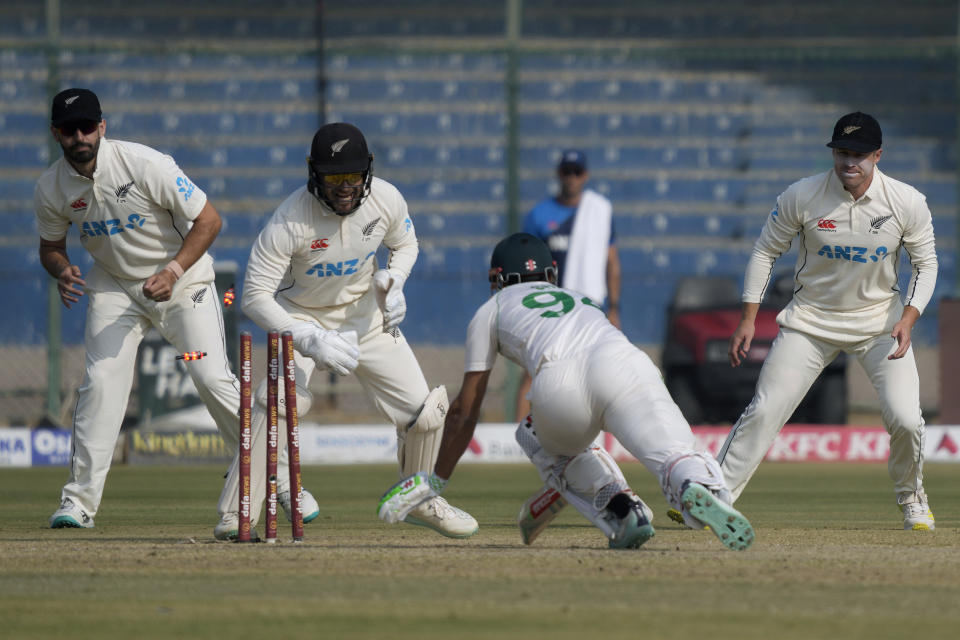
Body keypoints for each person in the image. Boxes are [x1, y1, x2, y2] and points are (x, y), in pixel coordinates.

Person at [378, 233, 755, 551]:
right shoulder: (579, 298)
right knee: (674, 454)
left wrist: (434, 481)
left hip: (559, 386)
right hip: (623, 362)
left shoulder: (490, 309)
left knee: (540, 438)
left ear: (496, 278)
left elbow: (465, 408)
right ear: (551, 274)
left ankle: (621, 505)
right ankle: (697, 484)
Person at [216, 122, 478, 540]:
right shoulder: (288, 221)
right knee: (281, 402)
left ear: (367, 171)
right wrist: (306, 337)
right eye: (333, 177)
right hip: (301, 316)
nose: (344, 187)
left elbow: (406, 244)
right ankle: (238, 512)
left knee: (426, 414)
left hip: (366, 317)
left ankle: (419, 499)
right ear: (313, 172)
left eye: (352, 177)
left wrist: (394, 281)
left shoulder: (386, 198)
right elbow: (254, 297)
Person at [35, 88, 247, 529]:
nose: (80, 137)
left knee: (208, 374)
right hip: (115, 288)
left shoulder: (145, 164)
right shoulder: (50, 188)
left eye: (88, 127)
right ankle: (78, 503)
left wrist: (171, 272)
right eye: (70, 130)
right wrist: (61, 270)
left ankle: (279, 478)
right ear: (56, 134)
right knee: (100, 384)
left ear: (102, 127)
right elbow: (51, 246)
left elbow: (209, 220)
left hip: (183, 283)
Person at [718, 111, 939, 531]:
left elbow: (926, 265)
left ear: (877, 155)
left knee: (907, 419)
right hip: (810, 321)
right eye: (841, 152)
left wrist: (909, 317)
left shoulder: (906, 202)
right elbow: (766, 252)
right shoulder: (801, 196)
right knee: (766, 408)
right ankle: (712, 496)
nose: (848, 162)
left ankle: (912, 498)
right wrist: (749, 316)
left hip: (879, 325)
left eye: (858, 154)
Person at [515, 149, 621, 418]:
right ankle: (513, 436)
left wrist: (614, 307)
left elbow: (611, 262)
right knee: (534, 369)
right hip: (549, 306)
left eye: (577, 172)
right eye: (566, 172)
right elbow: (527, 262)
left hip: (588, 306)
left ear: (585, 175)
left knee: (590, 372)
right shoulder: (540, 215)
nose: (571, 178)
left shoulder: (598, 211)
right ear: (558, 174)